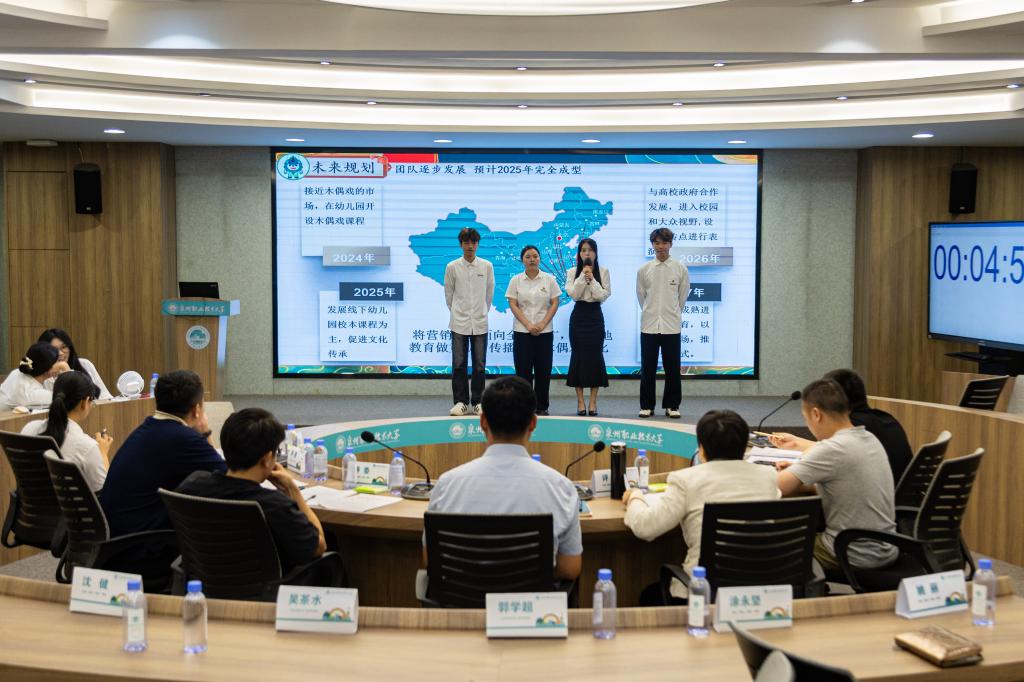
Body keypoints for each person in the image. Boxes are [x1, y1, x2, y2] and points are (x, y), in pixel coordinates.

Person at [426, 375, 582, 581]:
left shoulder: (447, 485)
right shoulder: (561, 488)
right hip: (531, 601)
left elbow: (430, 559)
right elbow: (570, 569)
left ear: (483, 422)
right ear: (533, 423)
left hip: (463, 600)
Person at [622, 409, 779, 605]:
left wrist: (635, 497)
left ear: (701, 449)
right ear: (744, 445)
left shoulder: (685, 480)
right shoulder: (768, 476)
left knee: (649, 596)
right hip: (758, 592)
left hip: (702, 594)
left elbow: (645, 528)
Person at [176, 408, 326, 573]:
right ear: (267, 459)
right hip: (267, 587)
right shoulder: (274, 504)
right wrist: (293, 489)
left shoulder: (192, 485)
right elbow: (319, 547)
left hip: (204, 583)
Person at [773, 379, 897, 573]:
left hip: (850, 553)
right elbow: (844, 486)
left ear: (816, 414)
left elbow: (776, 487)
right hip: (887, 547)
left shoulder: (831, 448)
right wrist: (803, 475)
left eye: (806, 419)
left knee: (776, 544)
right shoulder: (869, 438)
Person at [101, 370, 227, 540]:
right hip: (142, 543)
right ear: (197, 409)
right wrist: (205, 432)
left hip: (117, 536)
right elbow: (228, 478)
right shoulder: (183, 438)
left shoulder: (147, 427)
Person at [20, 371, 112, 493]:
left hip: (29, 504)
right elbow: (107, 494)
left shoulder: (29, 428)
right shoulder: (87, 447)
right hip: (71, 506)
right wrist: (103, 454)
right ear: (84, 402)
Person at [823, 368, 913, 484]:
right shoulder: (887, 418)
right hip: (903, 492)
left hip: (881, 494)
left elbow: (824, 456)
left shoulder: (853, 428)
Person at [636, 227, 690, 419]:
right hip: (649, 325)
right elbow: (641, 296)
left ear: (670, 244)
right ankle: (646, 406)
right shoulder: (644, 270)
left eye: (664, 243)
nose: (661, 247)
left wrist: (672, 313)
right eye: (657, 243)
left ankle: (672, 405)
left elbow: (682, 297)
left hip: (671, 326)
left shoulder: (680, 268)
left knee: (672, 368)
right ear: (652, 245)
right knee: (648, 368)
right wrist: (651, 312)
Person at [444, 227, 494, 417]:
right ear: (461, 245)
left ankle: (478, 402)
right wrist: (459, 312)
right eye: (466, 242)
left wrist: (481, 311)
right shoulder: (452, 267)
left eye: (473, 242)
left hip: (480, 322)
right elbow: (449, 294)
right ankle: (461, 402)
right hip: (459, 322)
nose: (470, 246)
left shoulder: (487, 266)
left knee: (479, 365)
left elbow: (489, 294)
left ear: (478, 244)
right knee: (459, 364)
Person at [505, 245, 560, 416]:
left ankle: (542, 406)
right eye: (528, 257)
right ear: (522, 260)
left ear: (540, 259)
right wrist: (528, 324)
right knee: (523, 371)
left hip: (545, 332)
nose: (532, 259)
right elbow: (513, 304)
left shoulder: (549, 279)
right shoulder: (516, 280)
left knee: (543, 370)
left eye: (535, 256)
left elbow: (555, 302)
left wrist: (542, 323)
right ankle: (524, 406)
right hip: (522, 331)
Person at [565, 238, 610, 416]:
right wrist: (583, 277)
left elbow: (602, 296)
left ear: (595, 253)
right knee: (578, 357)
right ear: (579, 254)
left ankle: (592, 401)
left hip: (595, 316)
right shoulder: (571, 272)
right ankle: (580, 401)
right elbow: (575, 295)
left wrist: (592, 279)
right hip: (579, 317)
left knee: (595, 357)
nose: (587, 253)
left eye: (590, 250)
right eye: (583, 250)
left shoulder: (604, 271)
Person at [38, 328, 113, 400]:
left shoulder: (85, 364)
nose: (60, 353)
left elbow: (106, 397)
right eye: (54, 349)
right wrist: (65, 369)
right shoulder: (42, 376)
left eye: (63, 347)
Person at [0, 342, 69, 410]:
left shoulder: (21, 371)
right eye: (57, 361)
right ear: (48, 369)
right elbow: (69, 396)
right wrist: (65, 367)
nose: (60, 364)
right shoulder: (30, 392)